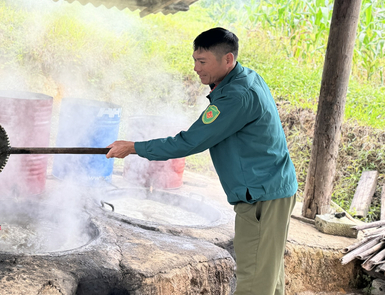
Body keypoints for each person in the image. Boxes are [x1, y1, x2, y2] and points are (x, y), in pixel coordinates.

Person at [106, 27, 298, 295]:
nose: (196, 68)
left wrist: (134, 147)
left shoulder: (236, 96)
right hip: (273, 190)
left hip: (261, 198)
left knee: (254, 281)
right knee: (269, 276)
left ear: (228, 59)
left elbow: (190, 142)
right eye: (195, 60)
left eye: (203, 61)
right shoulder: (244, 78)